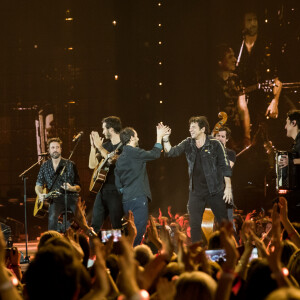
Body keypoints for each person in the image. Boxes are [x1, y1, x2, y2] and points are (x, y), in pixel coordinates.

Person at [162, 116, 232, 243]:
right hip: (196, 192)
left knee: (224, 223)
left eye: (193, 127)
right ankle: (197, 253)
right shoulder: (188, 143)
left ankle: (228, 249)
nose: (190, 129)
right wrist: (166, 138)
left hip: (215, 190)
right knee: (194, 226)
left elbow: (225, 165)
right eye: (189, 127)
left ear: (202, 129)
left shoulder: (215, 144)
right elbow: (171, 152)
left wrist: (228, 187)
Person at [114, 123, 169, 246]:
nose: (138, 139)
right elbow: (155, 153)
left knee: (131, 231)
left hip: (126, 200)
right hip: (138, 198)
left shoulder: (120, 158)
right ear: (132, 138)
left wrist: (126, 191)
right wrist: (159, 136)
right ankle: (132, 257)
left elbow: (118, 183)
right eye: (136, 136)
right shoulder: (135, 152)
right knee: (138, 232)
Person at [236, 9, 282, 138]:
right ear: (242, 24)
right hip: (240, 104)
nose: (253, 23)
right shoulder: (238, 47)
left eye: (255, 19)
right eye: (249, 20)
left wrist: (275, 101)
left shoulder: (266, 46)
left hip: (261, 102)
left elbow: (277, 80)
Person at [35, 137, 81, 231]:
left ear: (61, 149)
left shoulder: (70, 164)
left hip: (71, 197)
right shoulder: (44, 166)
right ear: (49, 150)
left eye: (57, 147)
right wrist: (40, 194)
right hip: (55, 199)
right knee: (52, 218)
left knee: (79, 219)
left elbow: (78, 187)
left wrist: (71, 188)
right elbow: (38, 185)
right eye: (52, 147)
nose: (55, 150)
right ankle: (53, 240)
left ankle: (70, 236)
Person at [89, 116, 124, 233]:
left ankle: (119, 250)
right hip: (101, 190)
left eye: (104, 129)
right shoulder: (105, 146)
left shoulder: (125, 146)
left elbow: (114, 159)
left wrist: (99, 146)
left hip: (116, 191)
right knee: (94, 226)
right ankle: (94, 250)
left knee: (117, 225)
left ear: (111, 129)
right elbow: (92, 165)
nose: (103, 132)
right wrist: (93, 147)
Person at [213, 43, 250, 149]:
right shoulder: (213, 83)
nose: (235, 59)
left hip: (236, 131)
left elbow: (243, 108)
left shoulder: (236, 79)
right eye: (230, 57)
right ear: (220, 61)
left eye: (234, 56)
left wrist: (246, 136)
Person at [279, 110, 300, 222]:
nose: (285, 127)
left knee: (278, 206)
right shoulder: (296, 143)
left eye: (287, 123)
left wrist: (290, 162)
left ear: (294, 123)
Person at [215, 126, 236, 225]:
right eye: (218, 135)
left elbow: (226, 169)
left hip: (224, 190)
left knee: (228, 221)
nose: (220, 138)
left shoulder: (231, 153)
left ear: (227, 139)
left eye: (223, 136)